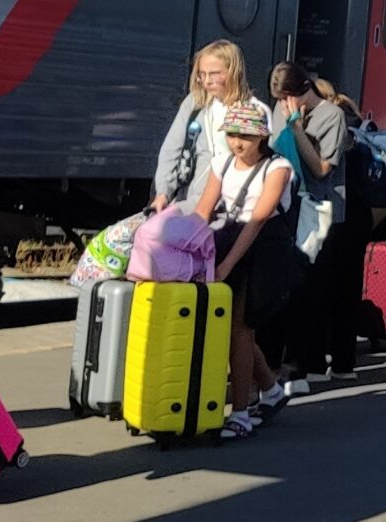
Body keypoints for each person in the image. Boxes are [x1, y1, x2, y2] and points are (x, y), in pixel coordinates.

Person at [193, 99, 298, 435]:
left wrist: (224, 266)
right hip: (230, 239)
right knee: (231, 328)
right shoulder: (221, 163)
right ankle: (270, 389)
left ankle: (240, 413)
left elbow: (257, 220)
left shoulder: (278, 167)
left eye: (246, 136)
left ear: (262, 137)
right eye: (232, 134)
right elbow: (203, 211)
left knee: (239, 328)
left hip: (265, 248)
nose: (237, 142)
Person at [267, 63, 359, 391]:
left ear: (303, 90)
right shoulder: (281, 110)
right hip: (285, 205)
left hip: (318, 210)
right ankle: (277, 361)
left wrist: (295, 128)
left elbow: (321, 168)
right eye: (279, 99)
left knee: (310, 289)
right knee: (283, 287)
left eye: (288, 97)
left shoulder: (331, 116)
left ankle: (301, 364)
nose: (284, 104)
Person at [151, 39, 249, 214]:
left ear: (233, 72)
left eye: (214, 74)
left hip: (225, 207)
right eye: (202, 74)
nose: (207, 81)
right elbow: (171, 149)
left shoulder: (249, 112)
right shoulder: (195, 103)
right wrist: (163, 193)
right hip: (188, 196)